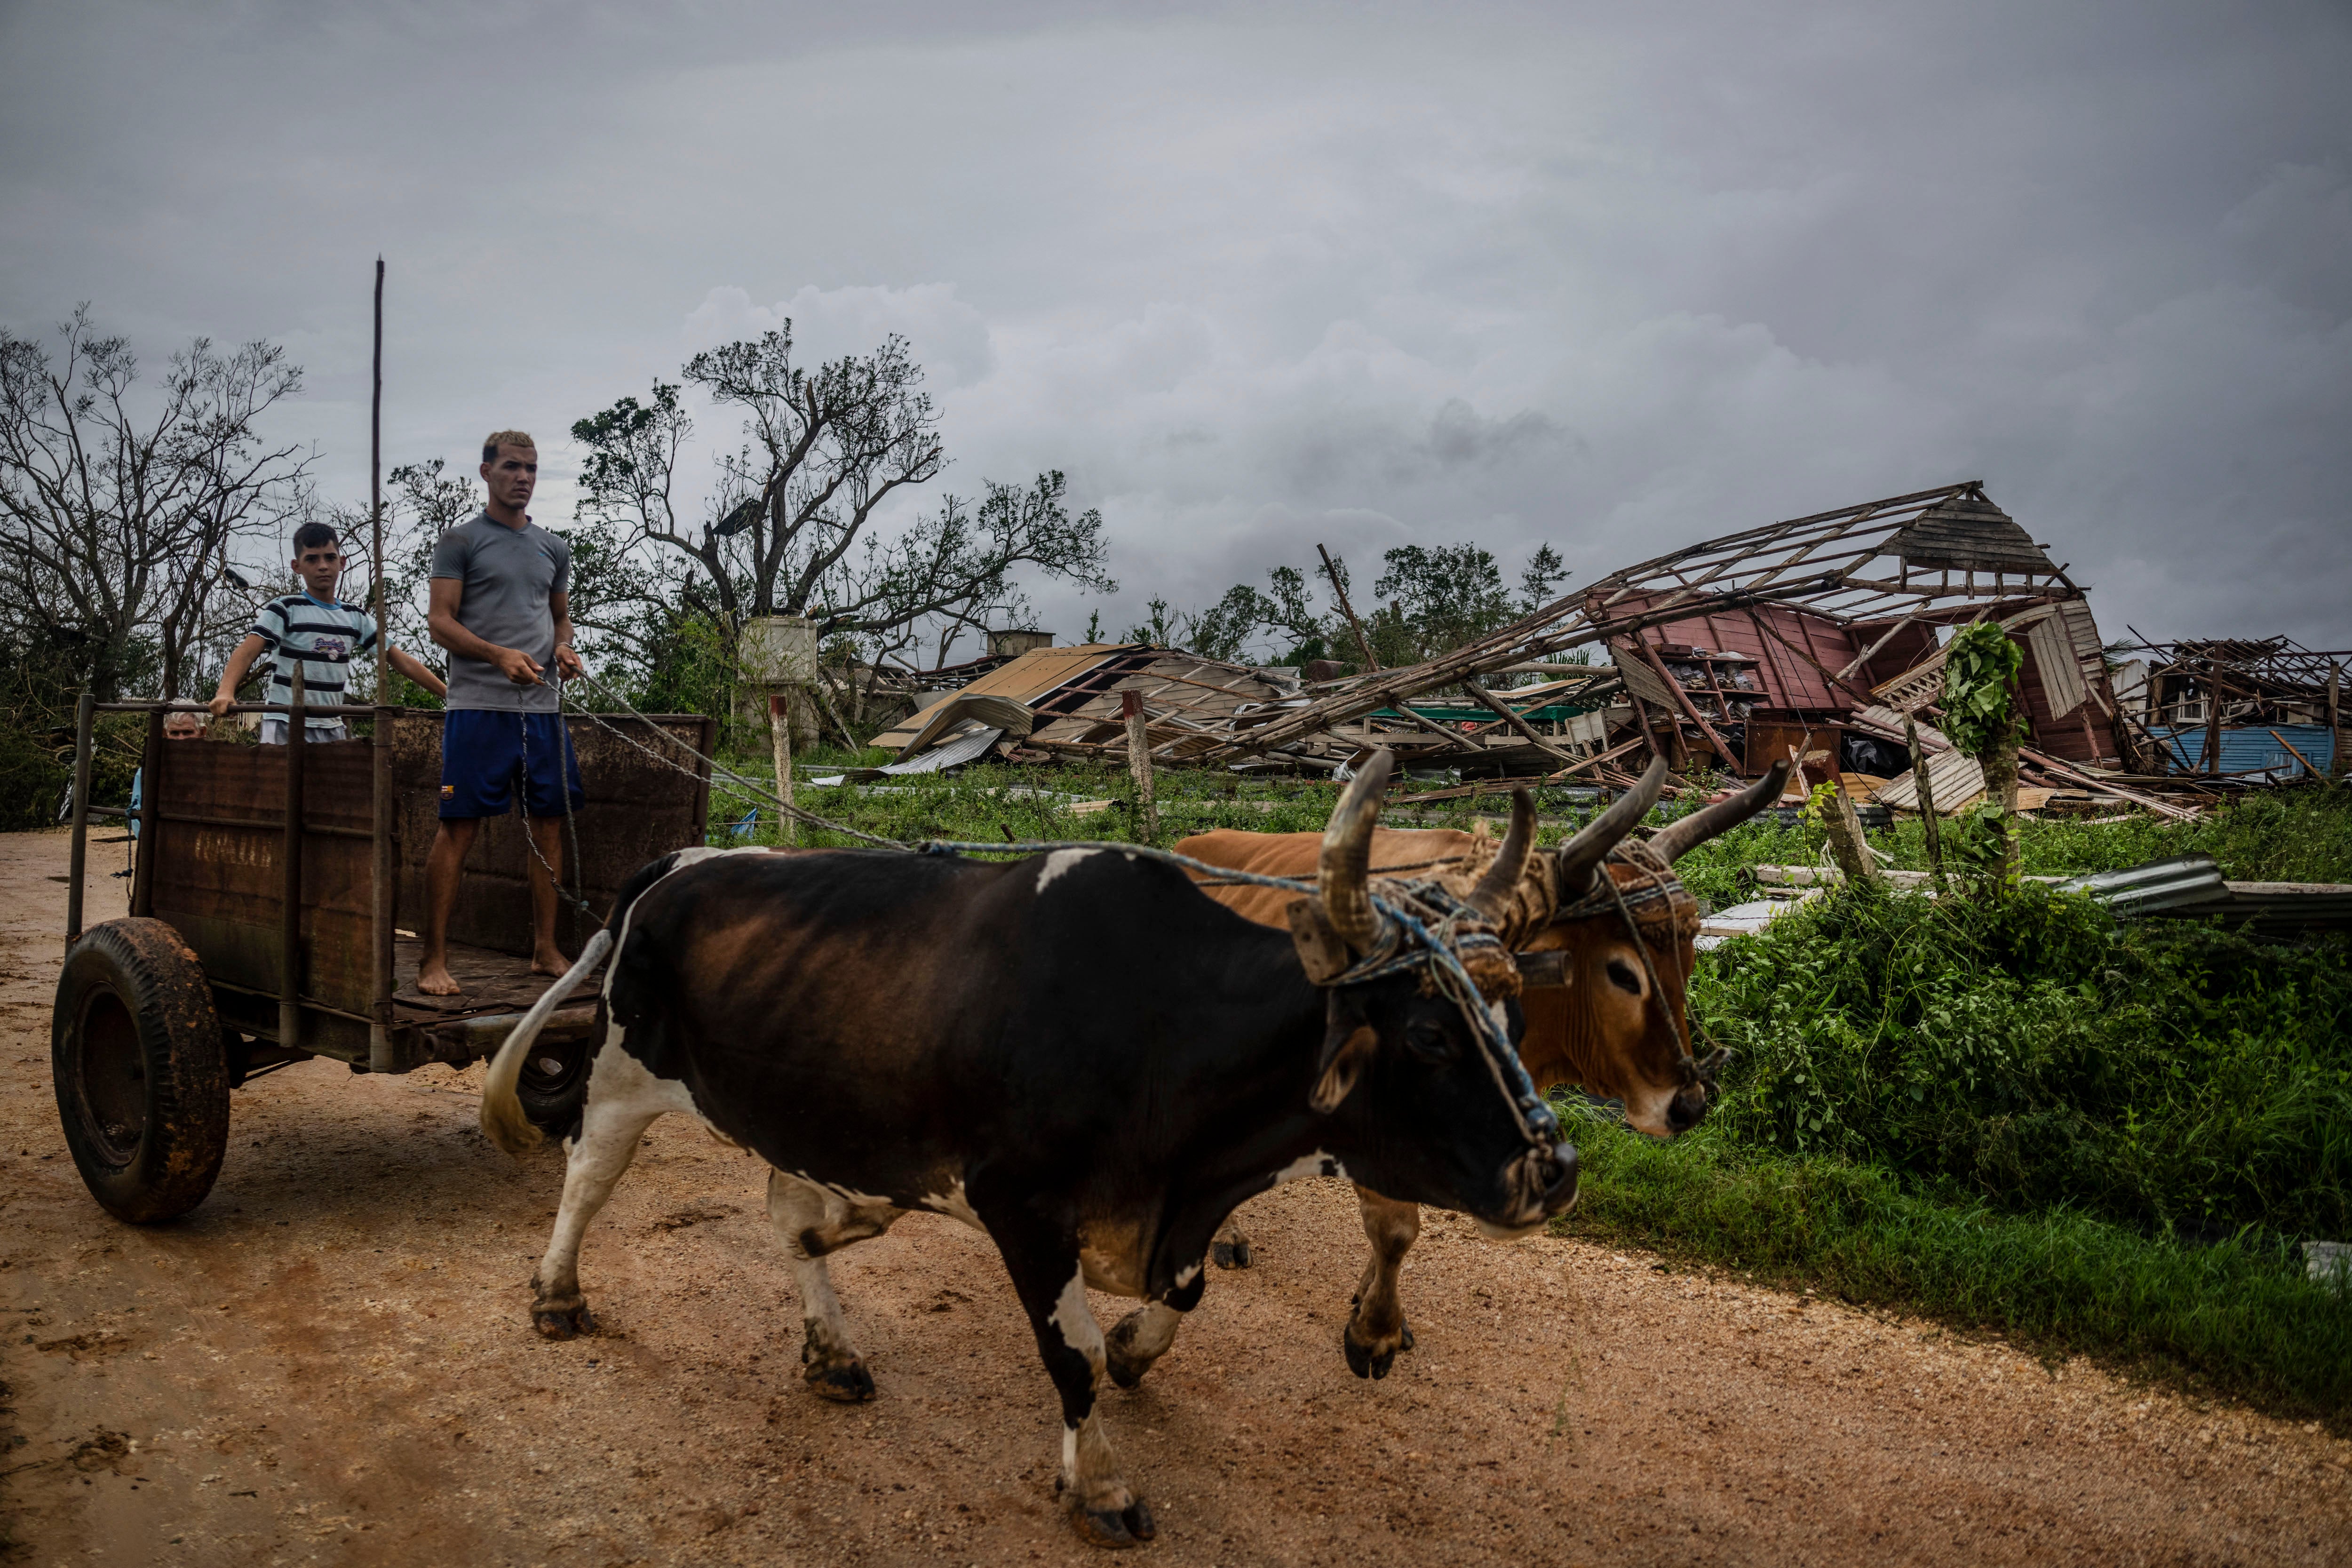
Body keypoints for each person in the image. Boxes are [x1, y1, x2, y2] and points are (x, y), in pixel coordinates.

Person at [416, 430, 585, 998]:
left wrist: (563, 648)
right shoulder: (460, 541)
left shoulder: (553, 547)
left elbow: (559, 618)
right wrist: (497, 655)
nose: (523, 477)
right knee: (459, 829)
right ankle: (432, 960)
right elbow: (439, 621)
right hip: (477, 707)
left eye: (532, 469)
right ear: (486, 472)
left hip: (541, 710)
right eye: (512, 467)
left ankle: (544, 948)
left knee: (550, 825)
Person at [210, 521, 448, 740]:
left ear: (342, 562)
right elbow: (247, 651)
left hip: (332, 725)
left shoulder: (355, 617)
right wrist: (225, 692)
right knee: (282, 786)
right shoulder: (285, 609)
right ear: (297, 566)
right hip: (285, 722)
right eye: (312, 559)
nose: (323, 566)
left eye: (330, 558)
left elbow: (400, 660)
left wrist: (448, 694)